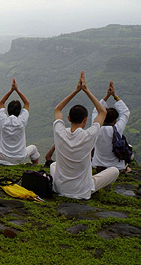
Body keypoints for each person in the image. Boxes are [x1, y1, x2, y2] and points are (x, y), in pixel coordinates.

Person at [51, 72, 119, 200]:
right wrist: (86, 90)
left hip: (60, 188)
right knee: (114, 171)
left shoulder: (59, 132)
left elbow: (57, 109)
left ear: (68, 118)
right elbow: (102, 112)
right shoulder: (89, 135)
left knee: (53, 165)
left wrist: (76, 91)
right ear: (85, 120)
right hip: (82, 191)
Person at [0, 79, 39, 165]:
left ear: (7, 111)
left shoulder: (3, 121)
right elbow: (26, 103)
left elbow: (1, 102)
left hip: (4, 157)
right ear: (20, 112)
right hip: (20, 158)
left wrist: (11, 91)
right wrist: (17, 90)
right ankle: (35, 166)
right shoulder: (21, 121)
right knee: (33, 148)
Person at [91, 81, 131, 172]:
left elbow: (95, 111)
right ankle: (126, 168)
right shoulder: (117, 129)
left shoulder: (96, 127)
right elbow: (125, 112)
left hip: (98, 165)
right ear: (115, 120)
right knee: (129, 148)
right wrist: (114, 96)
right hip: (116, 167)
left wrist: (106, 96)